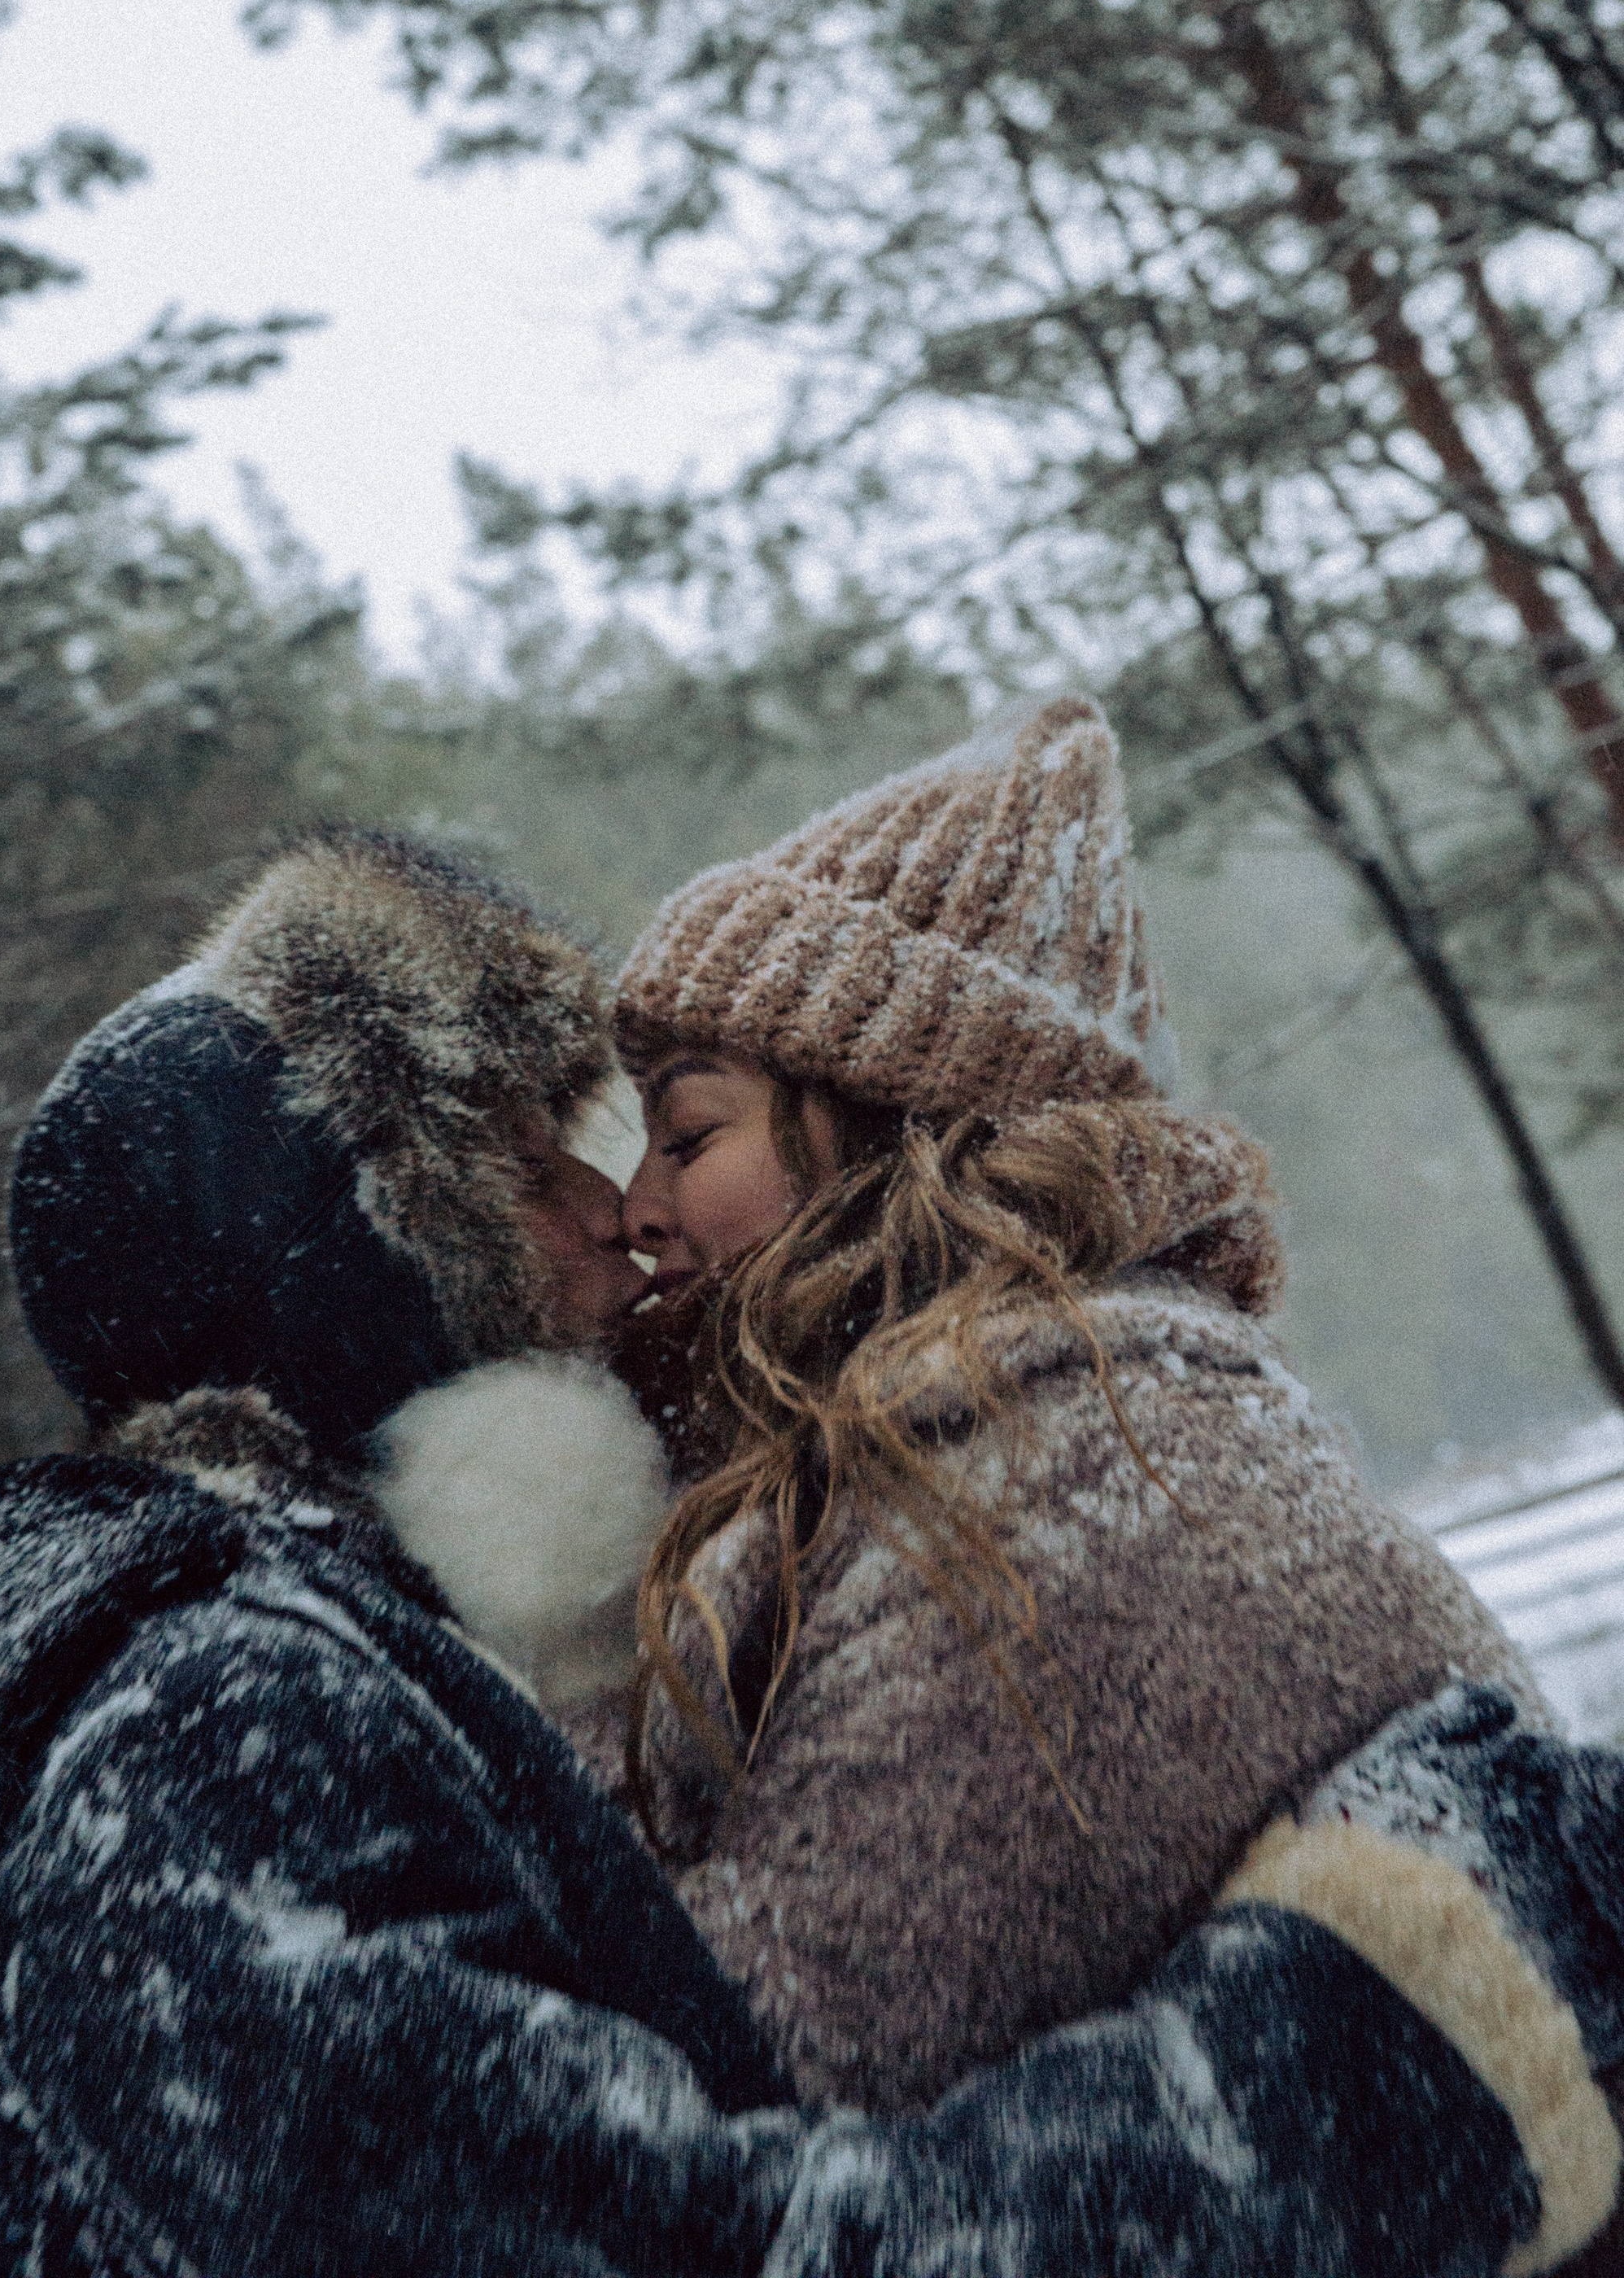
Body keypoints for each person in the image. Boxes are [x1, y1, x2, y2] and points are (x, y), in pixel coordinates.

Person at [0, 824, 1624, 2278]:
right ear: (356, 1260)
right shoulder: (194, 1716)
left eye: (659, 1136)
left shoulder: (236, 1666)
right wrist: (1391, 2030)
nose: (619, 1209)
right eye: (530, 1170)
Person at [600, 689, 1608, 2205]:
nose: (636, 1204)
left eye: (688, 1137)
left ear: (893, 1128)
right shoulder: (1053, 1420)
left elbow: (740, 2079)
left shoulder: (1047, 1482)